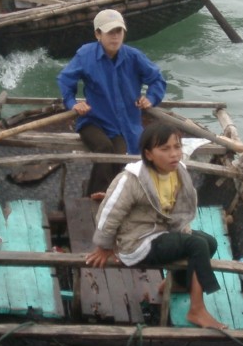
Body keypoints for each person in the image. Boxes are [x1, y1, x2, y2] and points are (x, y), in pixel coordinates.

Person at [85, 122, 226, 330]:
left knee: (209, 243)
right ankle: (197, 310)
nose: (174, 154)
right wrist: (104, 246)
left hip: (163, 232)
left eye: (177, 147)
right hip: (139, 241)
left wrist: (181, 229)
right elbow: (110, 213)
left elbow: (178, 205)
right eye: (165, 149)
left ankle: (177, 282)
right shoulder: (132, 179)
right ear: (149, 154)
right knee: (197, 245)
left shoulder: (179, 173)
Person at [57, 9, 166, 196]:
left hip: (123, 125)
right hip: (93, 121)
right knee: (104, 149)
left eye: (119, 32)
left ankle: (111, 195)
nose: (115, 37)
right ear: (98, 34)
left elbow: (157, 79)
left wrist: (151, 98)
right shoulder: (86, 55)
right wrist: (73, 103)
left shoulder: (134, 57)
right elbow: (65, 79)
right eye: (110, 32)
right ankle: (95, 196)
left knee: (120, 158)